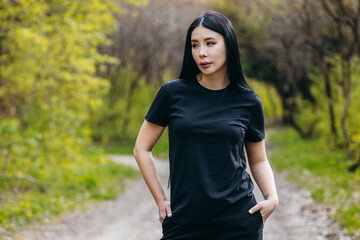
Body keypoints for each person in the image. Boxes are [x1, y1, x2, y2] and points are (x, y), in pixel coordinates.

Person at [133, 11, 278, 240]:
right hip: (184, 221)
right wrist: (161, 200)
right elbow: (141, 149)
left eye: (210, 43)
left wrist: (272, 198)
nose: (201, 53)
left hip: (238, 222)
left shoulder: (248, 101)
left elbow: (258, 160)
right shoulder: (172, 93)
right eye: (194, 45)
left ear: (228, 45)